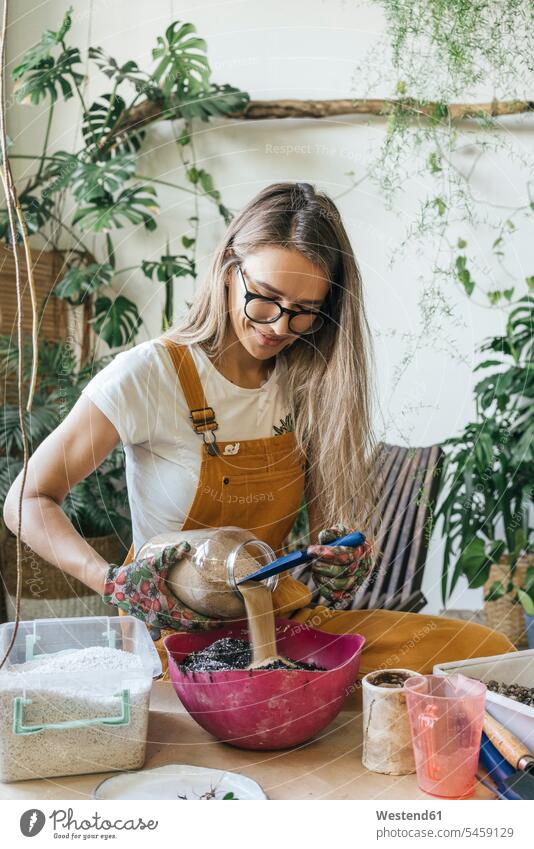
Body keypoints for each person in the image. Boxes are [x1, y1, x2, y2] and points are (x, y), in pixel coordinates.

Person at [4, 181, 514, 677]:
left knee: (485, 651)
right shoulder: (149, 376)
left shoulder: (307, 379)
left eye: (304, 312)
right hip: (178, 639)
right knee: (294, 713)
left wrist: (343, 560)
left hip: (280, 625)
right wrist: (111, 581)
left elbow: (324, 541)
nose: (277, 327)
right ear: (229, 269)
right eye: (265, 298)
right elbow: (27, 499)